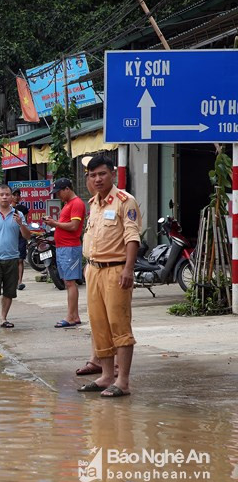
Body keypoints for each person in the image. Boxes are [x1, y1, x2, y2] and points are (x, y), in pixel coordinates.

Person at [77, 154, 141, 398]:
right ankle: (106, 376)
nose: (97, 179)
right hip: (93, 270)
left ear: (112, 173)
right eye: (93, 175)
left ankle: (122, 381)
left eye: (102, 174)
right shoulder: (93, 203)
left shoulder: (125, 201)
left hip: (116, 270)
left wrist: (128, 269)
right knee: (98, 324)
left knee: (119, 325)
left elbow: (132, 237)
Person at [0, 185, 31, 329]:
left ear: (12, 197)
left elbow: (27, 236)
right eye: (1, 194)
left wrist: (21, 224)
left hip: (12, 258)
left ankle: (3, 319)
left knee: (9, 290)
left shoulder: (18, 215)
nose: (4, 197)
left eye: (7, 194)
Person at [44, 178, 85, 328]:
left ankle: (70, 317)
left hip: (70, 248)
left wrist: (54, 223)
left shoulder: (76, 204)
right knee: (68, 282)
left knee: (70, 282)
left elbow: (74, 226)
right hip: (63, 247)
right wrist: (54, 223)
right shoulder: (68, 204)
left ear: (67, 189)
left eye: (59, 192)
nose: (58, 196)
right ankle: (74, 315)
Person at [11, 188, 30, 290]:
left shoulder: (22, 210)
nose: (16, 197)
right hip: (10, 237)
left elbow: (25, 223)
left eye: (18, 195)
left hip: (21, 236)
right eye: (14, 195)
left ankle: (19, 281)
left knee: (20, 260)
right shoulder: (5, 209)